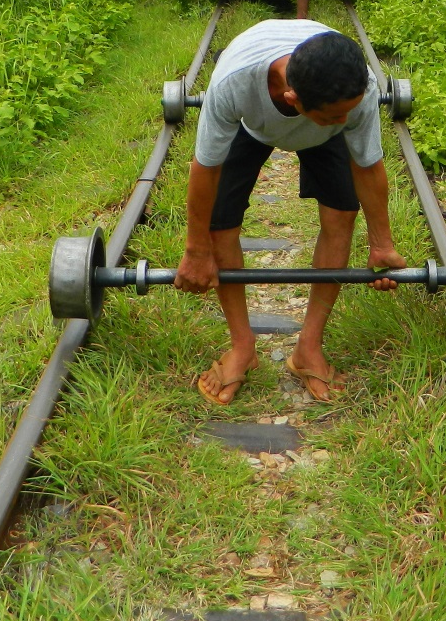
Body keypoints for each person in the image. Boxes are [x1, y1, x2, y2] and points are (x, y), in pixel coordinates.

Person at [174, 20, 406, 405]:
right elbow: (205, 170)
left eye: (348, 113)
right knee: (219, 224)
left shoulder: (353, 90)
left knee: (340, 215)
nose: (346, 121)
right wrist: (196, 252)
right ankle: (242, 347)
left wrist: (382, 244)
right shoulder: (234, 84)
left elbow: (367, 166)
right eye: (336, 116)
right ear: (292, 99)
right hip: (251, 127)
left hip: (322, 136)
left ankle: (308, 349)